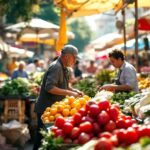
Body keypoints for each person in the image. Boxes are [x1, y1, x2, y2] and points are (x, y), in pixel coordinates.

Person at [33, 44, 83, 150]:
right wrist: (69, 93)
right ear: (67, 56)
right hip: (45, 109)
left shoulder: (64, 67)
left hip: (53, 109)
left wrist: (73, 90)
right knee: (41, 138)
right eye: (74, 58)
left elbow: (63, 85)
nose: (74, 61)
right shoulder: (56, 67)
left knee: (46, 137)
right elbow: (50, 88)